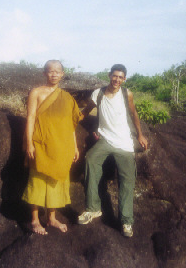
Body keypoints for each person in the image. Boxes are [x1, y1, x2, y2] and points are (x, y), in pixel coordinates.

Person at [78, 64, 148, 237]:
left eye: (121, 77)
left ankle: (126, 221)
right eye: (114, 76)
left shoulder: (126, 94)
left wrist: (140, 134)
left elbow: (134, 114)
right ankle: (93, 209)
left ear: (124, 79)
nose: (117, 80)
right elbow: (85, 112)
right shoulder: (98, 93)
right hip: (105, 139)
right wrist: (69, 122)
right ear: (109, 75)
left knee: (126, 180)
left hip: (124, 142)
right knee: (90, 160)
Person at [22, 60, 82, 235]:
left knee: (57, 181)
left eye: (57, 71)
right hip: (41, 143)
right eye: (50, 71)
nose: (54, 74)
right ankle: (34, 220)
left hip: (62, 146)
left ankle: (51, 218)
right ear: (44, 73)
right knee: (38, 181)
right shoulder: (37, 92)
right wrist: (29, 143)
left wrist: (75, 147)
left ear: (62, 74)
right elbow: (31, 117)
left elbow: (70, 125)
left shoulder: (67, 97)